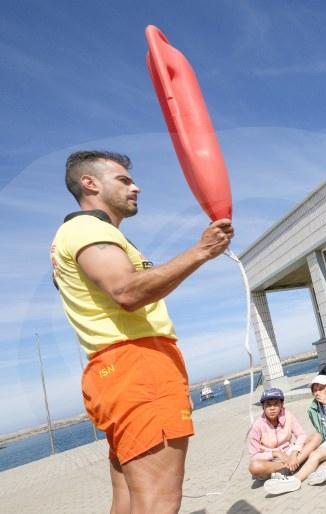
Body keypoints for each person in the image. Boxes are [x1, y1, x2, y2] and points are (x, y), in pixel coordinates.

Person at [50, 150, 234, 513]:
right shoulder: (87, 229)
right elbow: (127, 292)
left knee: (131, 499)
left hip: (118, 370)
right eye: (124, 180)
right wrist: (201, 251)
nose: (137, 187)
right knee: (159, 501)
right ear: (90, 183)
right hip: (138, 367)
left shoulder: (83, 234)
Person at [260, 376, 326, 494]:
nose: (317, 392)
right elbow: (320, 429)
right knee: (314, 455)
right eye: (315, 390)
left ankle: (325, 470)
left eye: (321, 388)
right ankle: (295, 480)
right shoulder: (313, 408)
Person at [249, 388, 323, 494]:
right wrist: (274, 453)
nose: (272, 408)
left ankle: (286, 470)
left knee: (317, 436)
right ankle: (288, 468)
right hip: (271, 461)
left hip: (290, 453)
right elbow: (254, 456)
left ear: (282, 404)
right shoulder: (257, 426)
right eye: (268, 405)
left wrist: (293, 453)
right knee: (254, 467)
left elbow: (301, 435)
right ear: (263, 407)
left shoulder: (288, 415)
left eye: (276, 404)